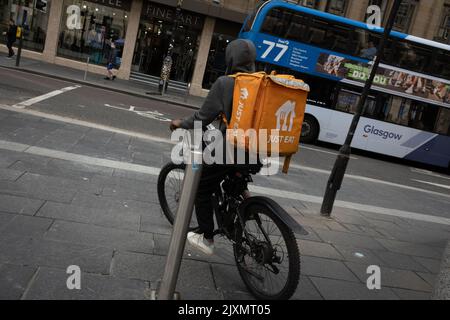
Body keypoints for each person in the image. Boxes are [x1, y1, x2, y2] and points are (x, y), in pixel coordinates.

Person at [169, 39, 261, 255]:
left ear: (231, 58)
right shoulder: (260, 82)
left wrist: (180, 123)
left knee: (201, 185)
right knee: (234, 171)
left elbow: (202, 117)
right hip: (258, 148)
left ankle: (207, 238)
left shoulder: (226, 83)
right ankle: (249, 204)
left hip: (233, 147)